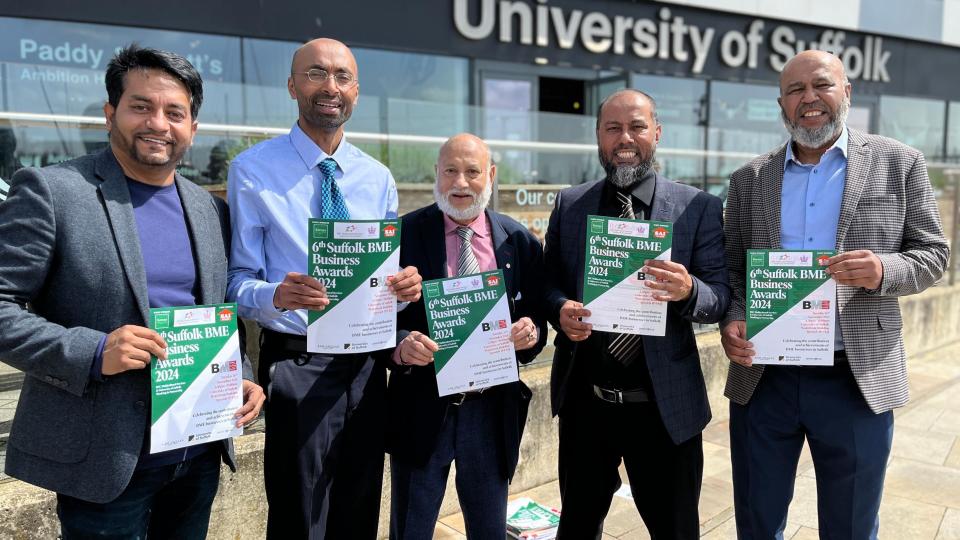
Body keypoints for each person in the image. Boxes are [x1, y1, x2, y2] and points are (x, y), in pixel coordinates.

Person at [0, 44, 265, 539]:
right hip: (104, 456)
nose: (158, 124)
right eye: (140, 106)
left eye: (174, 113)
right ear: (110, 113)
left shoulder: (211, 210)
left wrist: (241, 376)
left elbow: (213, 313)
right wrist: (95, 349)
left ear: (193, 127)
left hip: (197, 449)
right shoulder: (52, 191)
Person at [720, 50, 950, 539]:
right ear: (782, 104)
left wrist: (881, 269)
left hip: (855, 377)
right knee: (757, 522)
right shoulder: (748, 179)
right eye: (795, 90)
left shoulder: (899, 163)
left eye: (821, 85)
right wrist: (733, 319)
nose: (809, 99)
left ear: (846, 92)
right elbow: (735, 269)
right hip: (765, 379)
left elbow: (934, 254)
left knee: (850, 526)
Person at [226, 37, 422, 539]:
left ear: (356, 90)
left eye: (342, 76)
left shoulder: (377, 177)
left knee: (359, 510)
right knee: (300, 514)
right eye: (315, 74)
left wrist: (402, 287)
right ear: (293, 86)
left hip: (366, 364)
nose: (330, 86)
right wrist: (275, 295)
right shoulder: (252, 171)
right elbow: (234, 282)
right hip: (297, 362)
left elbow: (383, 273)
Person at [543, 89, 730, 539]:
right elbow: (547, 283)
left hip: (664, 410)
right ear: (598, 137)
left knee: (676, 530)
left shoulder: (697, 208)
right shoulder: (571, 205)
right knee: (577, 527)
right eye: (613, 128)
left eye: (637, 126)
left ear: (657, 133)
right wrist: (559, 309)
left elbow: (721, 295)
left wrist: (688, 291)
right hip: (588, 405)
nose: (625, 138)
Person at [386, 133, 546, 539]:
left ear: (490, 175)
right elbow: (378, 319)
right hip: (423, 407)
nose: (460, 183)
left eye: (472, 171)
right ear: (435, 175)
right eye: (450, 171)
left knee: (489, 530)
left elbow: (535, 318)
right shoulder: (402, 235)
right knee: (411, 529)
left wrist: (531, 333)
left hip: (491, 412)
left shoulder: (520, 241)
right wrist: (402, 346)